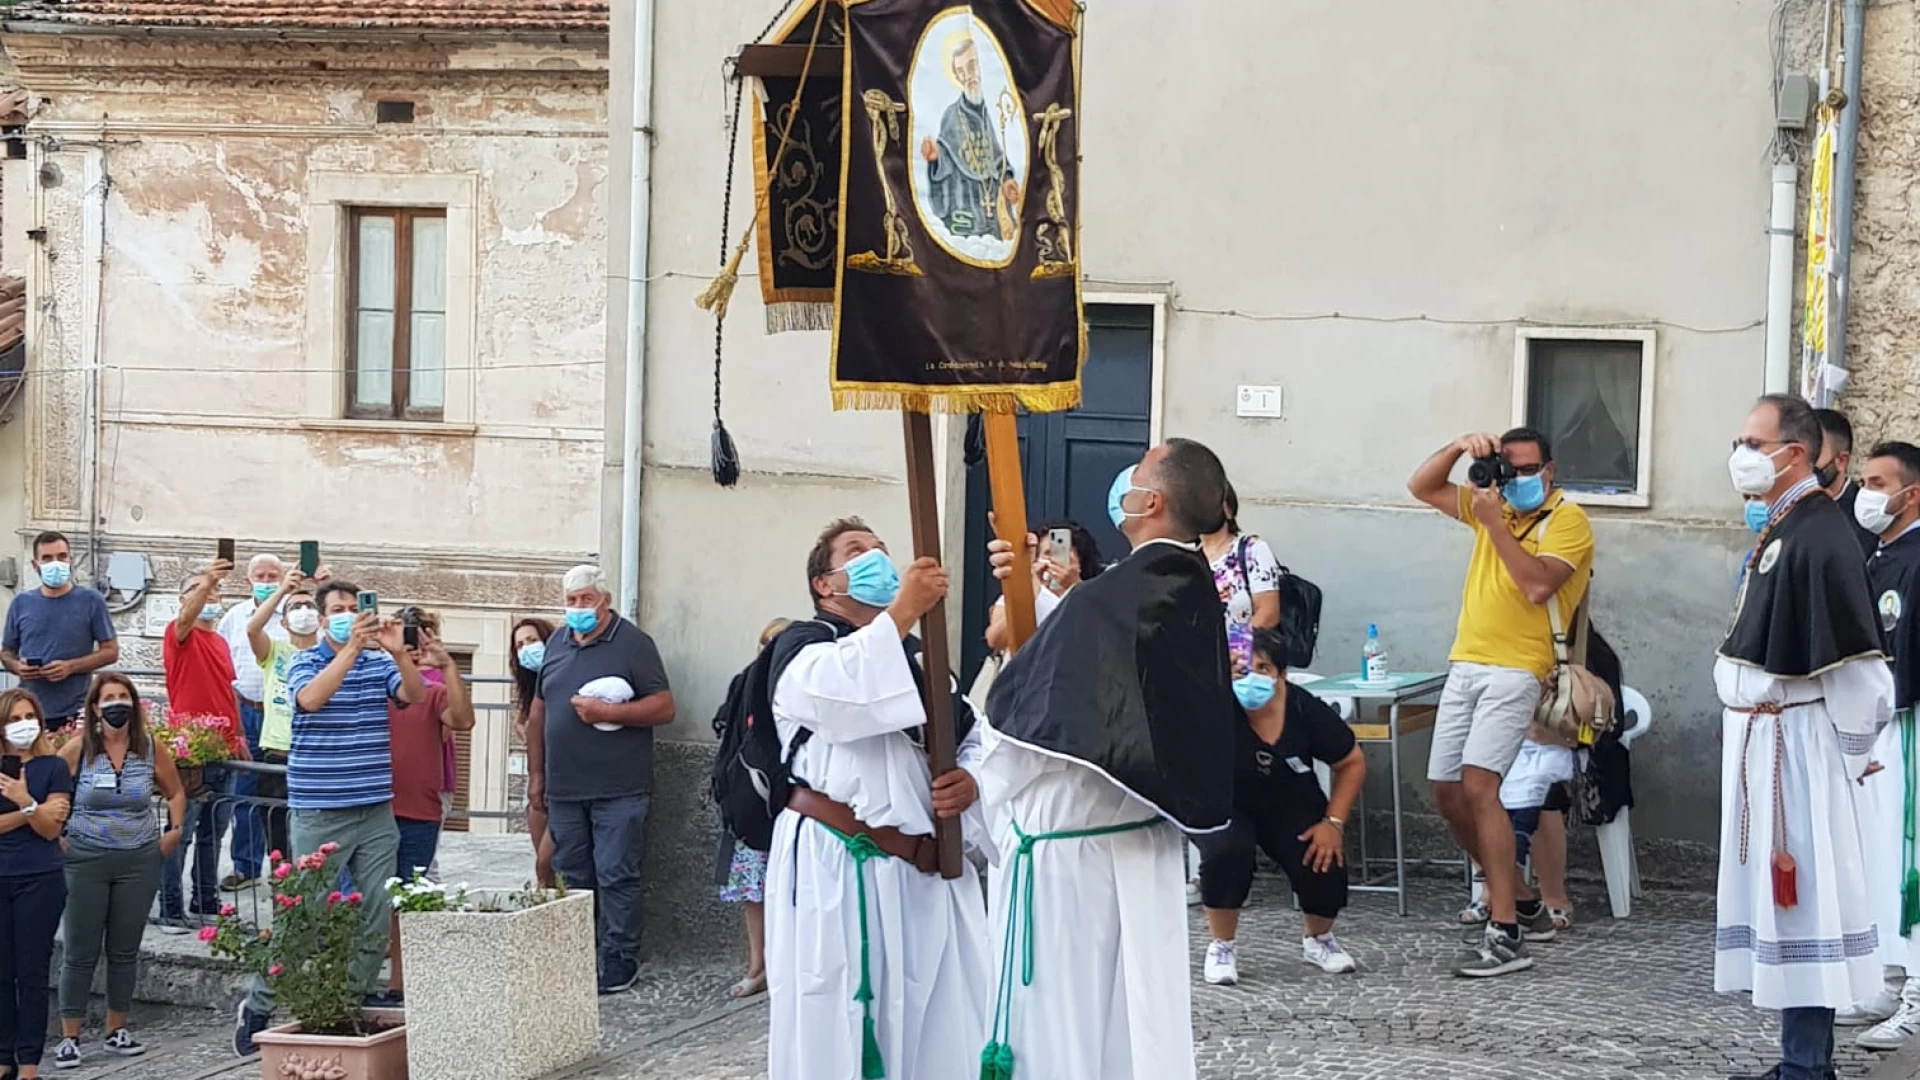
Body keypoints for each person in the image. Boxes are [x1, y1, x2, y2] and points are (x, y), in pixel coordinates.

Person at [978, 438, 1240, 1080]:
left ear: (1147, 501)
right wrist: (1023, 585)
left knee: (1061, 1029)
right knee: (1128, 1028)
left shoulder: (1116, 596)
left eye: (1139, 472)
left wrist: (991, 796)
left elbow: (1026, 730)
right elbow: (1085, 658)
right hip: (1137, 846)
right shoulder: (1183, 584)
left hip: (1073, 855)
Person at [763, 517, 990, 1080]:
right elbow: (840, 701)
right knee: (842, 1016)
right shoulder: (802, 647)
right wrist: (904, 612)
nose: (877, 558)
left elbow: (977, 736)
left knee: (937, 1023)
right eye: (857, 550)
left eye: (882, 549)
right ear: (824, 582)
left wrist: (973, 780)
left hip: (922, 871)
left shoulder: (923, 661)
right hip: (838, 863)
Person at [1717, 394, 1893, 1080]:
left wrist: (1852, 758)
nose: (1741, 454)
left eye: (1753, 442)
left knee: (1807, 901)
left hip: (1799, 752)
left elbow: (1859, 673)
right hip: (1770, 744)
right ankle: (1799, 1061)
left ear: (1796, 452)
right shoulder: (1788, 525)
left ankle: (1807, 1068)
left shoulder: (1820, 536)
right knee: (1792, 912)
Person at [1407, 427, 1594, 977]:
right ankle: (1523, 896)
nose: (1514, 481)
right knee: (1446, 792)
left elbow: (1538, 586)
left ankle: (1505, 928)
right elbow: (1421, 486)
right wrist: (1458, 447)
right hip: (1466, 661)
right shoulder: (1492, 507)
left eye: (1526, 469)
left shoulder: (1567, 521)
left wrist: (1492, 522)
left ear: (1549, 471)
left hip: (1518, 668)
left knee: (1480, 786)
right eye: (1505, 470)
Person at [232, 580, 426, 1057]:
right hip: (321, 809)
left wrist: (399, 653)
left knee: (375, 912)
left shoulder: (379, 662)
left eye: (351, 608)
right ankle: (260, 1003)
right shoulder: (303, 659)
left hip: (375, 806)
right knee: (305, 915)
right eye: (336, 609)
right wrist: (351, 649)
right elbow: (311, 700)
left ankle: (351, 999)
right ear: (321, 619)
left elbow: (415, 696)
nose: (345, 615)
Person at [524, 565, 675, 996]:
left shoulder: (633, 645)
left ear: (604, 601)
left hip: (618, 787)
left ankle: (619, 958)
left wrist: (608, 714)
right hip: (565, 788)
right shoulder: (555, 642)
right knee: (571, 874)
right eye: (571, 601)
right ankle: (576, 954)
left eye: (586, 600)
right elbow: (539, 712)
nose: (577, 609)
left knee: (616, 874)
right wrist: (537, 774)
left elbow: (663, 707)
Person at [1199, 627, 1365, 985]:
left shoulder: (1305, 708)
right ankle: (1221, 945)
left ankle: (1318, 939)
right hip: (1229, 801)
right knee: (1227, 851)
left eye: (1263, 669)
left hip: (1291, 799)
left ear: (1281, 674)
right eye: (1241, 669)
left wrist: (1333, 822)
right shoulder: (1209, 703)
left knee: (1321, 855)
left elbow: (1351, 762)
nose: (1251, 678)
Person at [51, 675, 185, 1068]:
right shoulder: (79, 749)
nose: (116, 703)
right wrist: (57, 834)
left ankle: (116, 1029)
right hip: (86, 858)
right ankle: (69, 1037)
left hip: (138, 859)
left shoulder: (149, 749)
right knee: (79, 949)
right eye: (108, 698)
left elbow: (176, 791)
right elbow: (50, 790)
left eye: (123, 696)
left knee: (125, 950)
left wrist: (173, 831)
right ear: (94, 707)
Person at [1847, 441, 1920, 1051]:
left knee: (1909, 856)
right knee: (1879, 853)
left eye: (1876, 482)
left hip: (1910, 723)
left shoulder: (1917, 560)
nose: (1865, 493)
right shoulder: (1881, 556)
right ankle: (1888, 976)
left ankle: (1918, 992)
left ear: (1910, 492)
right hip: (1882, 724)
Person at [380, 608, 471, 1000]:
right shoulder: (374, 681)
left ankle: (401, 985)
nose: (413, 647)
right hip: (372, 803)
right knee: (367, 897)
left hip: (420, 805)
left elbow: (461, 721)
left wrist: (448, 666)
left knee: (408, 896)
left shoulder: (434, 690)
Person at [159, 568, 250, 932]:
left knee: (213, 834)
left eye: (213, 592)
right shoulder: (178, 634)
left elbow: (229, 693)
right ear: (184, 599)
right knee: (181, 831)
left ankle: (206, 900)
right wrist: (208, 581)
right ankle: (169, 907)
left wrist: (240, 737)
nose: (210, 597)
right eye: (198, 592)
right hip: (190, 753)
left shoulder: (220, 643)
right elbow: (186, 618)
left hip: (223, 750)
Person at [713, 617, 790, 1001]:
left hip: (792, 805)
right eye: (766, 643)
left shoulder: (801, 683)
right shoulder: (745, 683)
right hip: (751, 803)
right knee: (753, 891)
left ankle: (788, 966)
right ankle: (757, 966)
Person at [0, 689, 73, 1080]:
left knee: (31, 973)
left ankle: (28, 1063)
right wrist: (31, 810)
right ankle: (2, 1057)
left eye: (29, 716)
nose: (22, 724)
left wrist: (26, 802)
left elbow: (50, 829)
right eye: (13, 718)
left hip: (39, 879)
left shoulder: (54, 767)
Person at [216, 554, 287, 892]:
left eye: (274, 575)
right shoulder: (233, 618)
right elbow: (223, 670)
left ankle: (283, 868)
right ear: (248, 581)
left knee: (280, 793)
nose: (267, 580)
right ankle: (245, 867)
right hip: (244, 710)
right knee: (244, 793)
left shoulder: (294, 615)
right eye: (261, 575)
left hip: (282, 716)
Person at [245, 574, 322, 883]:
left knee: (316, 847)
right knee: (279, 848)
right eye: (295, 607)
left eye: (308, 605)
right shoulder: (274, 651)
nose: (302, 610)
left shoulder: (329, 655)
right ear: (285, 621)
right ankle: (285, 914)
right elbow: (252, 629)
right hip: (277, 758)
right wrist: (282, 591)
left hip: (315, 760)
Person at [1, 531, 119, 730]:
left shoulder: (91, 600)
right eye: (47, 558)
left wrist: (70, 667)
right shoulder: (21, 603)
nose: (56, 563)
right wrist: (17, 667)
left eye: (62, 556)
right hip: (29, 711)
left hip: (77, 710)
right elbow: (6, 652)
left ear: (70, 560)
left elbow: (110, 651)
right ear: (35, 565)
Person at [510, 617, 557, 888]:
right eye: (519, 645)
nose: (526, 648)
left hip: (565, 784)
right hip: (538, 787)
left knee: (545, 862)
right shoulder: (529, 692)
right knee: (543, 868)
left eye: (532, 640)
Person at [1814, 407, 1882, 559]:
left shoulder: (1865, 518)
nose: (1805, 464)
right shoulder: (1787, 509)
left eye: (1815, 454)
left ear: (1841, 461)